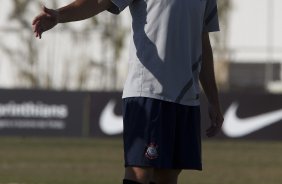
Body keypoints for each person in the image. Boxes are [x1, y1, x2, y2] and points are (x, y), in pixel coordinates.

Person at [32, 0, 224, 184]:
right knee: (141, 171)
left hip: (186, 96)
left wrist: (213, 99)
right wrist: (60, 15)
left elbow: (202, 39)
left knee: (168, 175)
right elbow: (100, 2)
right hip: (148, 90)